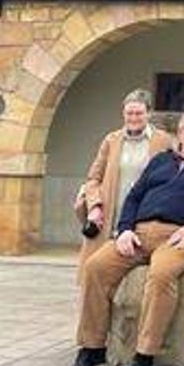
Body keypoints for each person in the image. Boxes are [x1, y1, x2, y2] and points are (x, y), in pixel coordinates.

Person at [63, 111, 184, 366]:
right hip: (140, 233)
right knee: (96, 267)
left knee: (161, 273)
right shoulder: (161, 161)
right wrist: (125, 228)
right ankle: (91, 348)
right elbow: (134, 196)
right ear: (181, 133)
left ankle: (145, 355)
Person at [73, 89, 173, 277]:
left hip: (143, 217)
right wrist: (95, 206)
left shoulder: (164, 142)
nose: (133, 118)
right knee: (96, 272)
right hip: (110, 215)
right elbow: (93, 178)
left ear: (149, 114)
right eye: (129, 113)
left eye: (139, 113)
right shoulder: (111, 140)